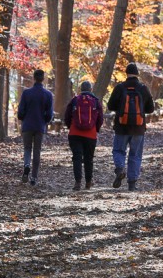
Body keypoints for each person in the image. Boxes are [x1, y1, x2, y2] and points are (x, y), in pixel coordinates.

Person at [107, 63, 154, 191]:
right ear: (137, 74)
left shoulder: (120, 88)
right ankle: (132, 183)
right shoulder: (143, 88)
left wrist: (121, 109)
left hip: (121, 127)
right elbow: (151, 109)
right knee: (135, 154)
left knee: (118, 150)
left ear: (126, 73)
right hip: (138, 128)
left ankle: (120, 169)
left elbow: (110, 106)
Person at [63, 81, 104, 191]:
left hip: (75, 133)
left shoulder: (75, 100)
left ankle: (77, 182)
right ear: (91, 89)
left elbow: (67, 116)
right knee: (88, 158)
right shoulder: (95, 101)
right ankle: (88, 183)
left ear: (81, 89)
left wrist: (70, 126)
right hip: (90, 134)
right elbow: (100, 118)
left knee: (76, 157)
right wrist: (96, 129)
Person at [17, 69, 53, 186]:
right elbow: (49, 114)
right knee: (37, 150)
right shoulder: (48, 94)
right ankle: (34, 177)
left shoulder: (26, 93)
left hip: (27, 125)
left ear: (34, 78)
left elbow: (20, 111)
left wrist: (23, 118)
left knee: (27, 148)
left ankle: (26, 165)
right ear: (43, 79)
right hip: (39, 126)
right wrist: (44, 121)